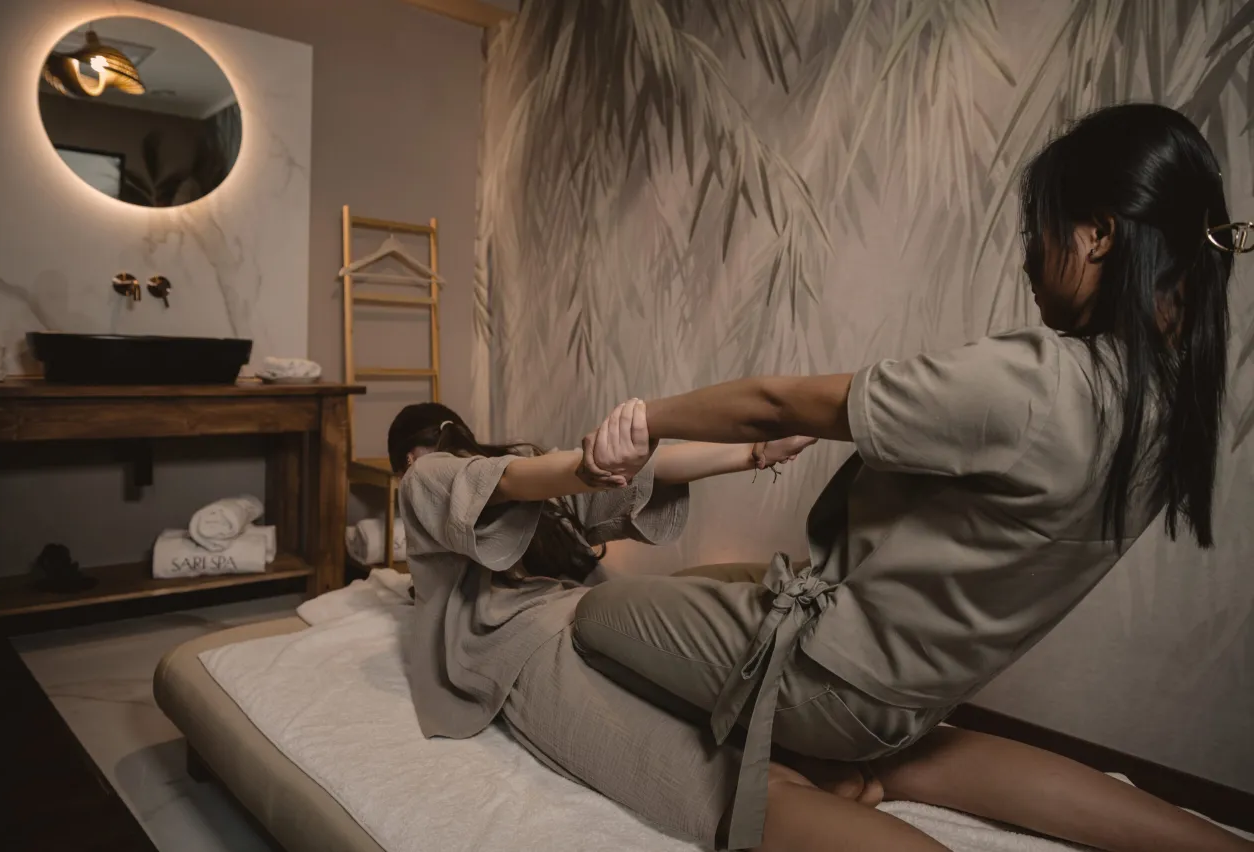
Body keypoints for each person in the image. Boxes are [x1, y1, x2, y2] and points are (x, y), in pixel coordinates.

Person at [573, 102, 1251, 851]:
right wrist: (811, 431)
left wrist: (642, 420)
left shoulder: (1040, 383)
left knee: (593, 620)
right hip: (918, 695)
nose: (1030, 258)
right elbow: (957, 460)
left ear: (1098, 235)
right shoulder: (1167, 408)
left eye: (1040, 231)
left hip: (838, 684)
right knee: (713, 580)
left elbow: (773, 402)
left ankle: (800, 771)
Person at [387, 400, 826, 846]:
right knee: (745, 737)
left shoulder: (422, 475)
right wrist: (754, 451)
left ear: (405, 461)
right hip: (594, 614)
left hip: (534, 641)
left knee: (731, 786)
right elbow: (637, 473)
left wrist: (592, 467)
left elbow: (534, 480)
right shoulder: (523, 462)